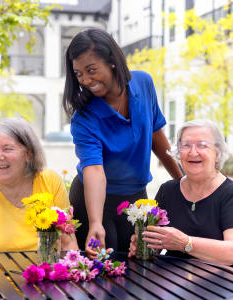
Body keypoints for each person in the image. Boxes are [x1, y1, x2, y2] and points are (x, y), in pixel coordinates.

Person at [63, 28, 182, 258]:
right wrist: (96, 222)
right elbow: (95, 169)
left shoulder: (144, 84)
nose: (86, 80)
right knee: (99, 273)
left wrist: (182, 180)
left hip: (135, 198)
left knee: (138, 266)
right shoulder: (84, 117)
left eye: (91, 70)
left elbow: (157, 139)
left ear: (112, 61)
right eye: (78, 74)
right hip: (94, 201)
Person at [129, 119, 233, 300]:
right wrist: (145, 244)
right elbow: (158, 242)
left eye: (202, 145)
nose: (193, 152)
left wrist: (185, 243)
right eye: (186, 146)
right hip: (180, 280)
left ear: (217, 152)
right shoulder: (167, 190)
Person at [0, 118, 78, 254]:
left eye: (7, 149)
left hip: (47, 273)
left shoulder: (50, 180)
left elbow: (69, 245)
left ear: (28, 154)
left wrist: (73, 271)